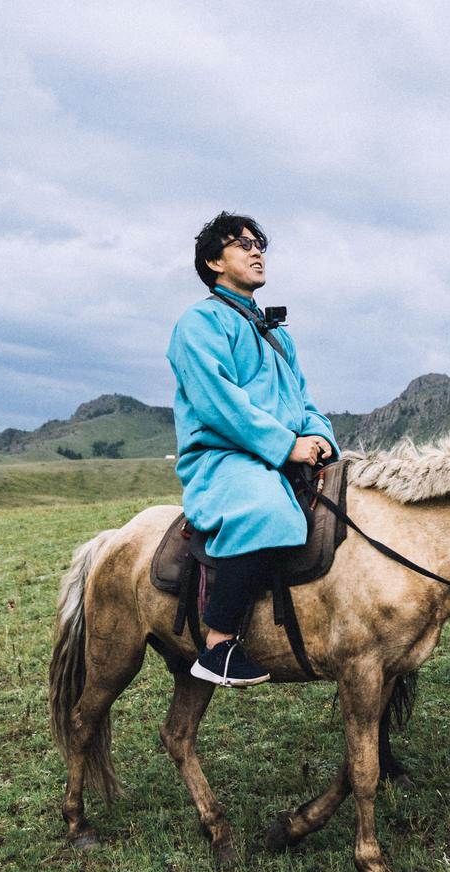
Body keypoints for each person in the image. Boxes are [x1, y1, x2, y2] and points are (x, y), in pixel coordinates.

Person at [165, 212, 338, 687]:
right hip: (224, 459)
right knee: (271, 512)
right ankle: (219, 644)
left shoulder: (277, 333)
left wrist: (320, 437)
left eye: (258, 242)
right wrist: (287, 447)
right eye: (241, 244)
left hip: (278, 455)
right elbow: (221, 404)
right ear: (213, 262)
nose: (255, 250)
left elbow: (303, 401)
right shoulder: (198, 323)